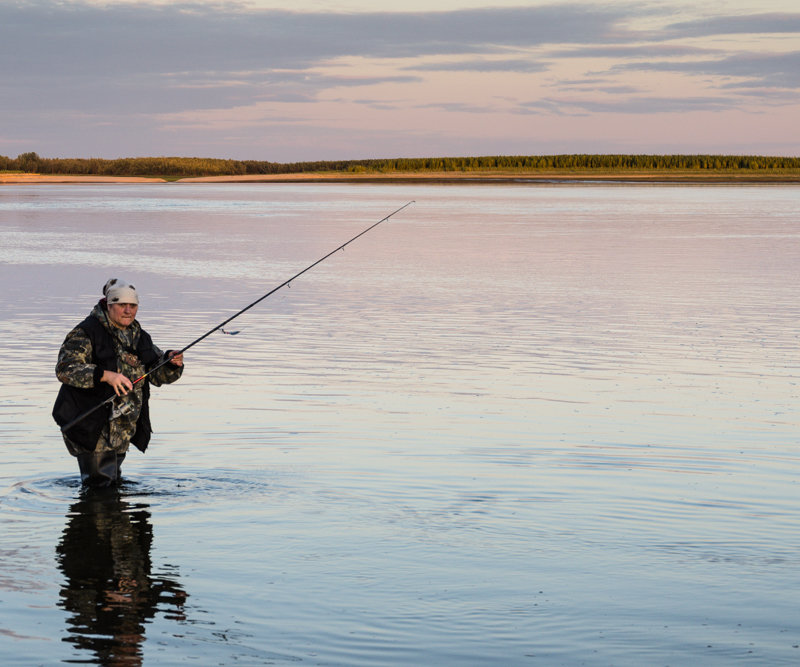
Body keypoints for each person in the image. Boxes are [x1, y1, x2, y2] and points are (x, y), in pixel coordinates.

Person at [53, 279, 184, 487]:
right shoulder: (86, 333)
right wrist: (105, 375)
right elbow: (65, 369)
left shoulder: (139, 337)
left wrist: (171, 362)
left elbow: (158, 374)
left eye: (133, 306)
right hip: (91, 426)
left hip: (121, 430)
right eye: (122, 305)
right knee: (100, 491)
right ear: (109, 304)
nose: (128, 311)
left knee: (111, 488)